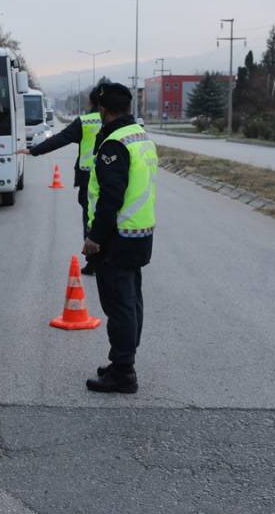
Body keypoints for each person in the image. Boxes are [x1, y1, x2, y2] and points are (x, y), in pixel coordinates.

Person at [82, 83, 158, 394]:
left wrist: (94, 239)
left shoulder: (114, 144)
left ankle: (123, 371)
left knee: (119, 304)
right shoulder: (140, 136)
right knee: (131, 299)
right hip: (140, 233)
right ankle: (122, 361)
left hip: (118, 237)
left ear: (103, 109)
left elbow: (110, 199)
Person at [17, 85, 105, 272]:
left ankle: (93, 260)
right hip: (111, 175)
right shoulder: (120, 122)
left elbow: (60, 139)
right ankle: (107, 257)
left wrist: (34, 150)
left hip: (88, 177)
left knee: (89, 217)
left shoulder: (85, 121)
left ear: (91, 102)